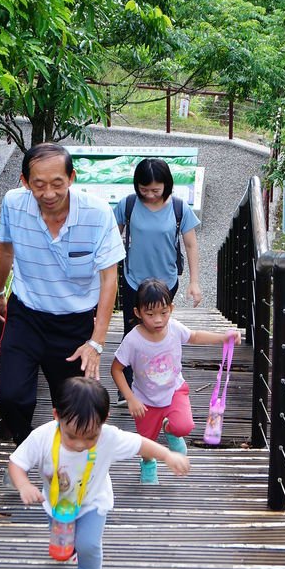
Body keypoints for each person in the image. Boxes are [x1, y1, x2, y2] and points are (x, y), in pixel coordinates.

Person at [0, 142, 125, 446]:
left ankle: (68, 462)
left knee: (74, 406)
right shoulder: (13, 203)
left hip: (74, 323)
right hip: (26, 314)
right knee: (11, 396)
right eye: (38, 185)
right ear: (24, 182)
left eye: (57, 183)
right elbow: (5, 248)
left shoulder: (97, 213)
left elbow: (109, 278)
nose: (48, 193)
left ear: (72, 177)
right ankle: (24, 449)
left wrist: (96, 343)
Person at [7, 377, 190, 569]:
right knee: (64, 547)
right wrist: (23, 484)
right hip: (56, 504)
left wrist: (167, 455)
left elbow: (140, 444)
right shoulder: (42, 438)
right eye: (72, 436)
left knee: (89, 544)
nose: (80, 444)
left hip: (93, 502)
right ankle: (71, 549)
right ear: (57, 416)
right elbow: (16, 463)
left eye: (90, 437)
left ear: (104, 421)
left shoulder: (108, 437)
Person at [111, 278, 241, 484]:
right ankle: (148, 464)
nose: (158, 320)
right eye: (150, 314)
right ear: (138, 313)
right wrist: (130, 398)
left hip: (174, 391)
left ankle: (171, 432)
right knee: (146, 441)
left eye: (164, 312)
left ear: (171, 308)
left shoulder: (173, 328)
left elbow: (195, 336)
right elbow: (116, 369)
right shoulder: (133, 340)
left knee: (184, 426)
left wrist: (223, 338)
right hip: (145, 400)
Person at [113, 157, 202, 398]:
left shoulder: (179, 208)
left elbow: (191, 245)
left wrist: (194, 282)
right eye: (144, 190)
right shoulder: (128, 205)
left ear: (167, 185)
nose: (150, 195)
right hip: (133, 280)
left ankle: (157, 381)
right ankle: (128, 387)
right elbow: (110, 239)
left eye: (155, 190)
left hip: (166, 282)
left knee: (158, 329)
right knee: (132, 330)